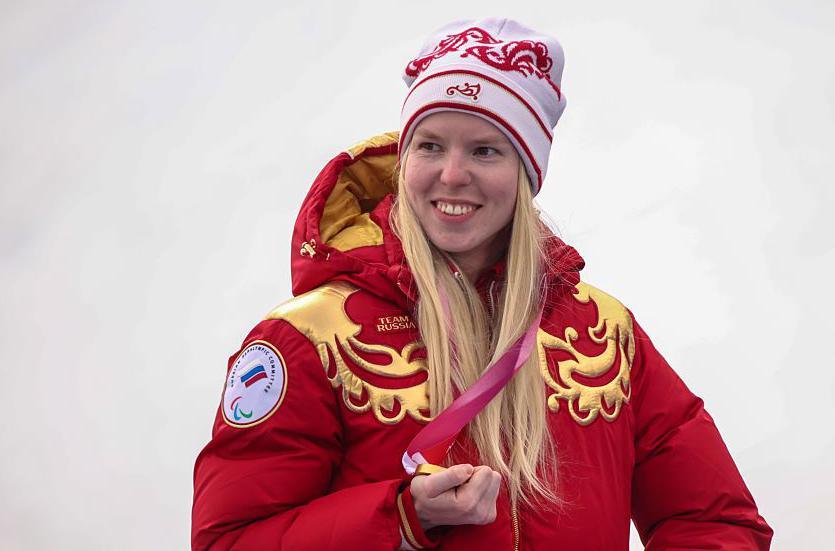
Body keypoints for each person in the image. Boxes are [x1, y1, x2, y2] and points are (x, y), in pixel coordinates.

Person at [192, 17, 773, 551]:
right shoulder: (307, 339)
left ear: (525, 173)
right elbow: (228, 541)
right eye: (430, 145)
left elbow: (716, 522)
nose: (452, 174)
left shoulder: (604, 335)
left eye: (485, 150)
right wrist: (398, 518)